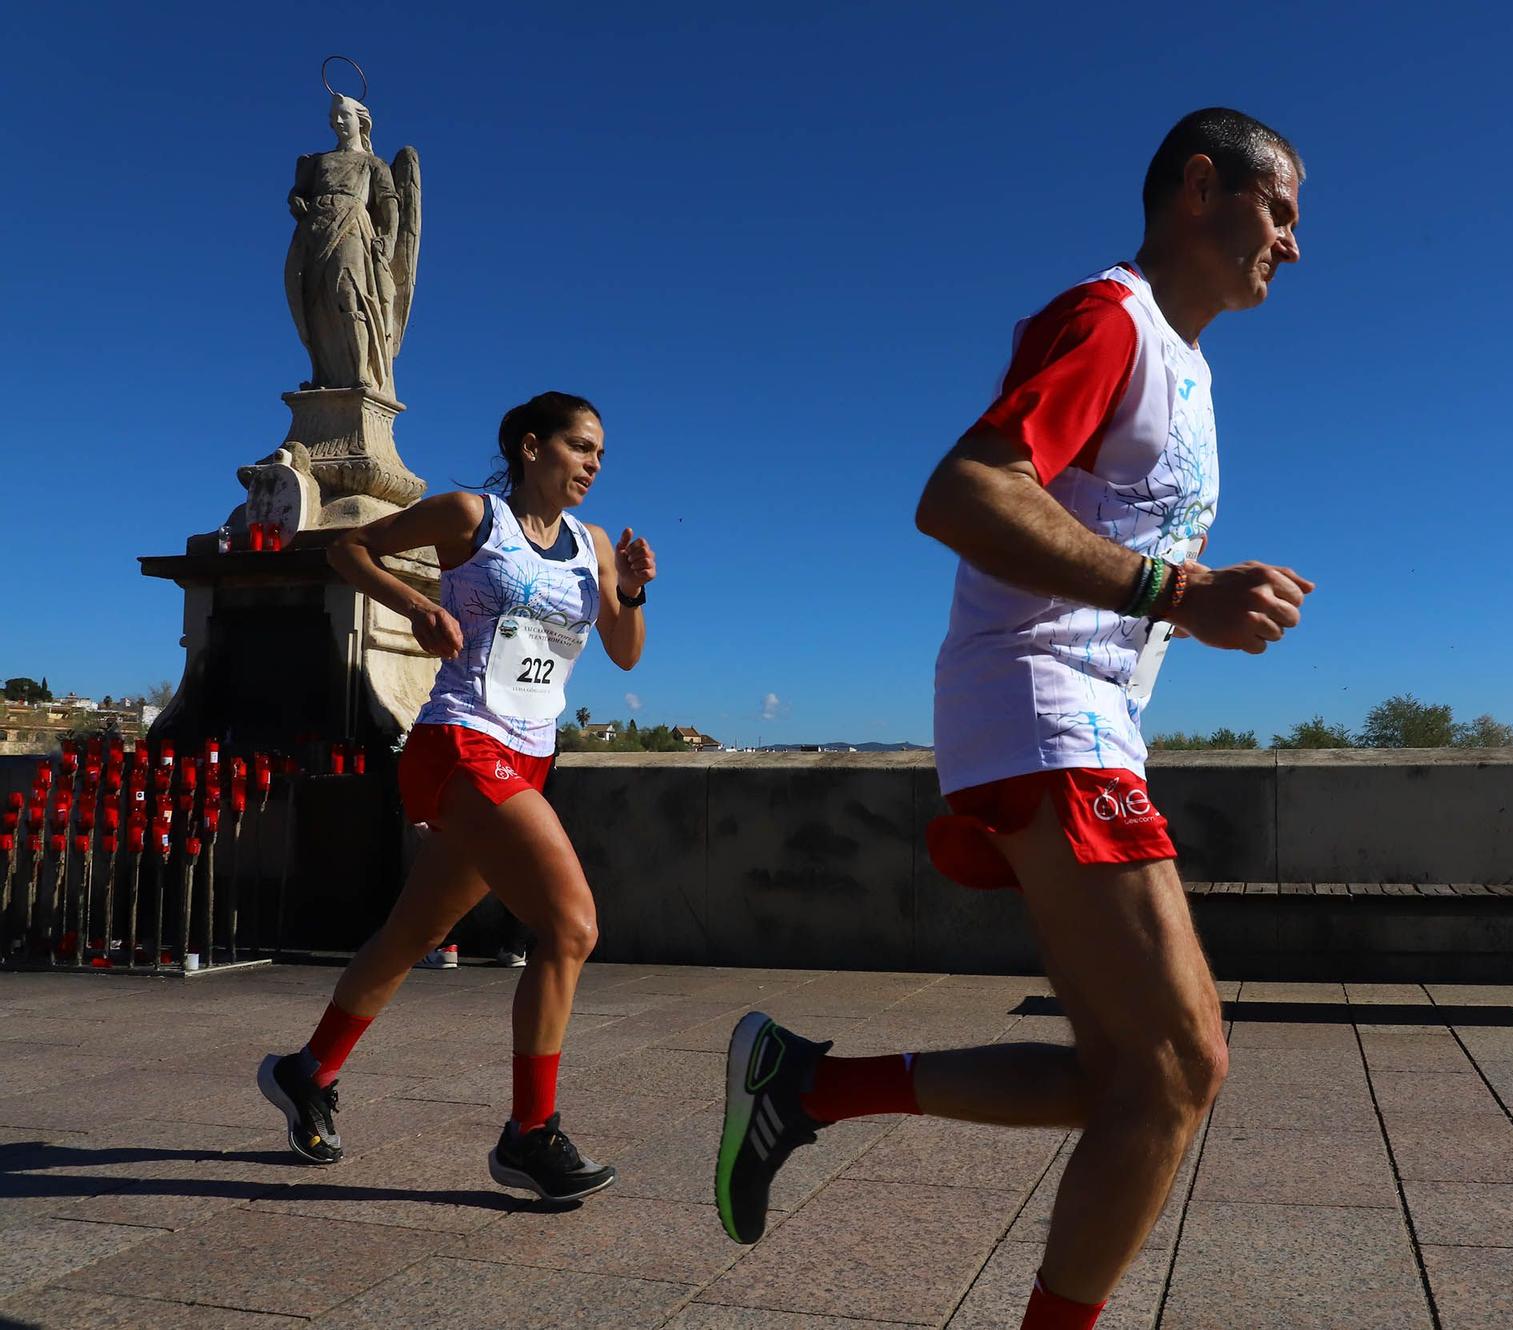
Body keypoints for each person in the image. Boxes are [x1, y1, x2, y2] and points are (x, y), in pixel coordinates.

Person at [713, 108, 1310, 1328]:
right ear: (1198, 188)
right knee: (1180, 1067)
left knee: (1123, 1076)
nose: (1291, 246)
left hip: (1082, 718)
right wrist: (1180, 591)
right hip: (1043, 709)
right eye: (1279, 211)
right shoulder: (1108, 319)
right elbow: (963, 489)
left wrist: (1178, 596)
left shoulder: (1187, 365)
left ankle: (806, 1085)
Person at [258, 391, 655, 1201]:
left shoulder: (594, 546)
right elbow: (349, 551)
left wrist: (637, 592)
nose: (593, 465)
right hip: (460, 743)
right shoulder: (471, 516)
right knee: (572, 926)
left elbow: (623, 654)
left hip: (530, 757)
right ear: (532, 448)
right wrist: (417, 604)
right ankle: (530, 1135)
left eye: (601, 455)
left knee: (412, 932)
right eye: (581, 447)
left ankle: (308, 1071)